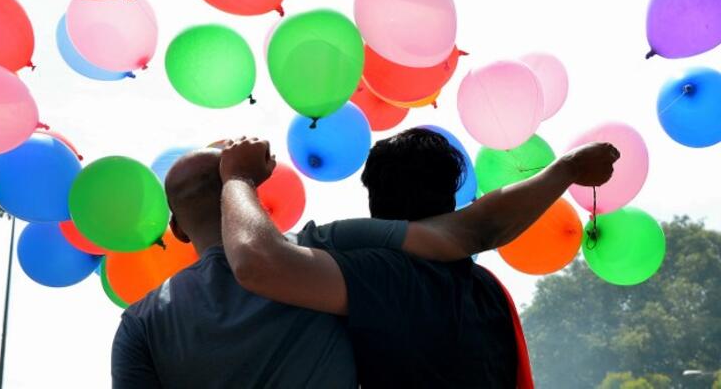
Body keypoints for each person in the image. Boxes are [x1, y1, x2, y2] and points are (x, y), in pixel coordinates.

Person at [219, 130, 620, 388]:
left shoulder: (381, 276)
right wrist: (567, 169)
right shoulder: (488, 290)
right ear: (452, 197)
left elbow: (258, 263)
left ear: (374, 201)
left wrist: (238, 178)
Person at [112, 147, 426, 388]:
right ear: (250, 201)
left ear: (178, 230)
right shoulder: (326, 248)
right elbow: (440, 239)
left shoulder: (140, 324)